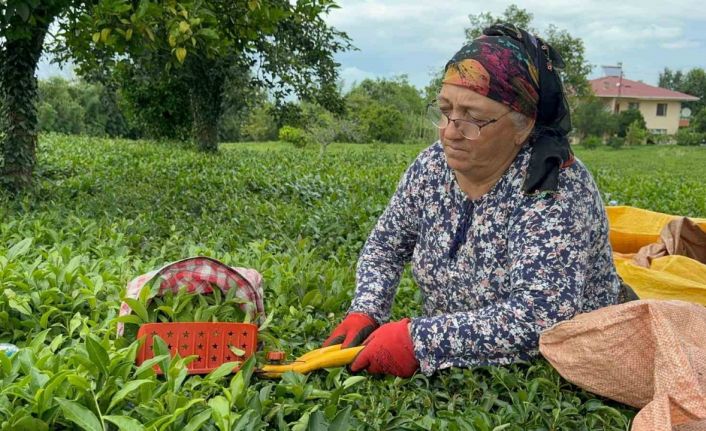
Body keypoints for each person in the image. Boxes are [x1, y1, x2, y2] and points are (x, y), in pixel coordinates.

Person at [322, 23, 621, 378]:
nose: (450, 131)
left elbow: (541, 315)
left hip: (558, 359)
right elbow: (386, 246)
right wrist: (367, 309)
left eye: (474, 118)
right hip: (456, 350)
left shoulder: (551, 185)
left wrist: (419, 341)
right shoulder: (432, 166)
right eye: (445, 110)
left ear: (523, 125)